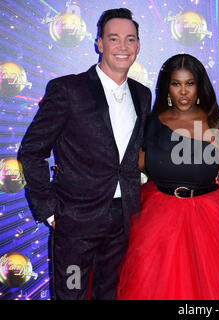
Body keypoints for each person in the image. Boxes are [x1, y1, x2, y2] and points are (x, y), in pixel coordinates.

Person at [18, 8, 151, 299]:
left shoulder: (143, 95)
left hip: (123, 219)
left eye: (130, 39)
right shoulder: (68, 89)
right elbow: (32, 151)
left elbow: (136, 154)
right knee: (73, 292)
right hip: (76, 221)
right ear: (99, 44)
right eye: (114, 38)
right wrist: (50, 210)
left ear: (138, 46)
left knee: (109, 293)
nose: (123, 47)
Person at [116, 54, 219, 300]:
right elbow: (130, 165)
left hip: (210, 221)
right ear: (167, 87)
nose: (183, 91)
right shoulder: (151, 124)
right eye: (176, 84)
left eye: (189, 83)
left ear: (199, 86)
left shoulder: (216, 123)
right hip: (156, 221)